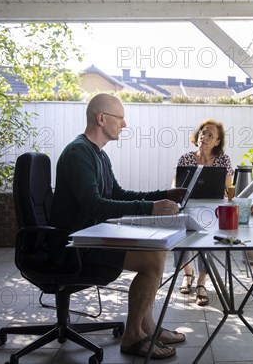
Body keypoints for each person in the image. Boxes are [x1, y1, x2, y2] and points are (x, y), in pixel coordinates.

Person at [50, 93, 187, 360]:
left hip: (92, 238)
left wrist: (163, 196)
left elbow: (118, 194)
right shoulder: (79, 153)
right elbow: (94, 205)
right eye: (120, 118)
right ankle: (134, 336)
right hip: (74, 247)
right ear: (101, 119)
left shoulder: (98, 154)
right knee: (152, 260)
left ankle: (146, 327)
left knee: (156, 254)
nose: (124, 125)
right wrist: (150, 208)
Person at [172, 119, 234, 306]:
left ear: (217, 141)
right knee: (178, 229)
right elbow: (175, 186)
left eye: (210, 135)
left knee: (207, 236)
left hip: (212, 210)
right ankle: (187, 273)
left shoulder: (224, 160)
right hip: (188, 207)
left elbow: (228, 191)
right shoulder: (185, 158)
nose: (204, 137)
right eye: (202, 133)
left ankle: (201, 281)